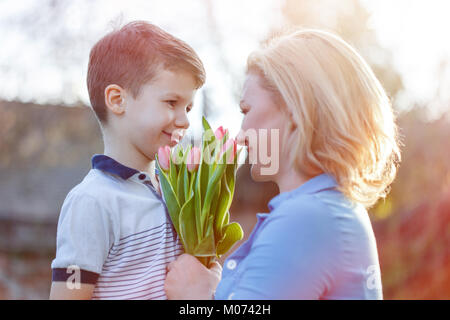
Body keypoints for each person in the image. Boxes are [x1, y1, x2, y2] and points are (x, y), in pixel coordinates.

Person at [164, 28, 402, 300]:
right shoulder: (327, 210)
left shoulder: (306, 219)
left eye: (246, 110)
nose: (240, 136)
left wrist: (193, 296)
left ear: (294, 109)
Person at [49, 21, 206, 299]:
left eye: (189, 107)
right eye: (172, 102)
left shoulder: (175, 189)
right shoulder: (92, 202)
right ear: (117, 100)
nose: (184, 120)